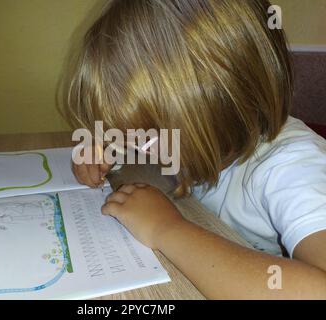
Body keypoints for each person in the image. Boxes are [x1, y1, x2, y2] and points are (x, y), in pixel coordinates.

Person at [64, 0, 326, 299]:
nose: (137, 146)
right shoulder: (207, 135)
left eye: (144, 136)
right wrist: (99, 148)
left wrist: (166, 229)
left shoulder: (294, 167)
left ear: (216, 107)